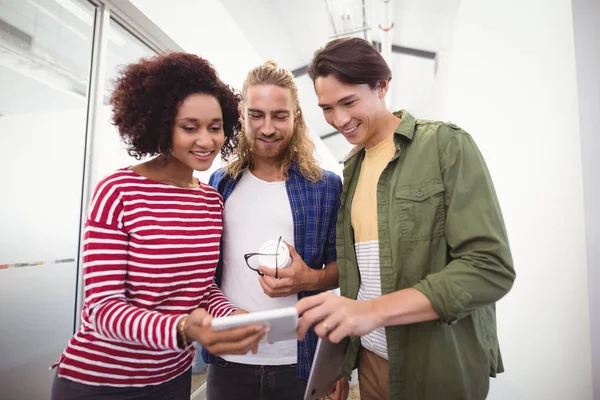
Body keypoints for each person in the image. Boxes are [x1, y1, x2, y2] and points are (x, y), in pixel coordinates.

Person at [296, 37, 516, 400]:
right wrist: (340, 367)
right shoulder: (350, 170)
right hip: (370, 365)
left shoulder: (445, 145)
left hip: (437, 370)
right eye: (327, 108)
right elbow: (361, 279)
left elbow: (490, 267)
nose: (339, 120)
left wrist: (374, 312)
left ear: (382, 85)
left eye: (349, 102)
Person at [50, 53, 267, 400]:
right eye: (189, 127)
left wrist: (231, 315)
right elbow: (102, 309)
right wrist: (183, 328)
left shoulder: (211, 201)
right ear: (161, 125)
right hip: (101, 382)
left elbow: (201, 288)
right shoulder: (119, 192)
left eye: (215, 127)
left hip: (173, 378)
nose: (206, 140)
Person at [203, 61, 343, 400]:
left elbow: (347, 269)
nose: (267, 128)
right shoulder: (220, 183)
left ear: (296, 117)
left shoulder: (325, 187)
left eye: (279, 116)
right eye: (257, 115)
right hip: (228, 358)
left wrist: (309, 279)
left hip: (299, 359)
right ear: (241, 114)